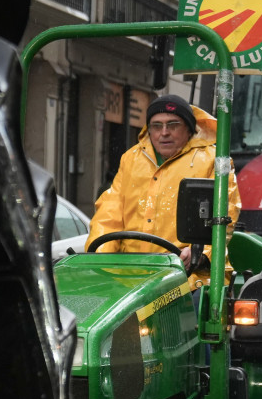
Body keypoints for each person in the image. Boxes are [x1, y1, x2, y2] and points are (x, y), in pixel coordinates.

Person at [85, 94, 241, 291]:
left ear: (189, 128)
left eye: (173, 124)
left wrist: (199, 253)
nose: (164, 132)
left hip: (188, 278)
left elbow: (226, 215)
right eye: (157, 126)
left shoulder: (214, 160)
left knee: (196, 310)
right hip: (128, 278)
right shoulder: (130, 159)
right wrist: (100, 262)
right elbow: (109, 215)